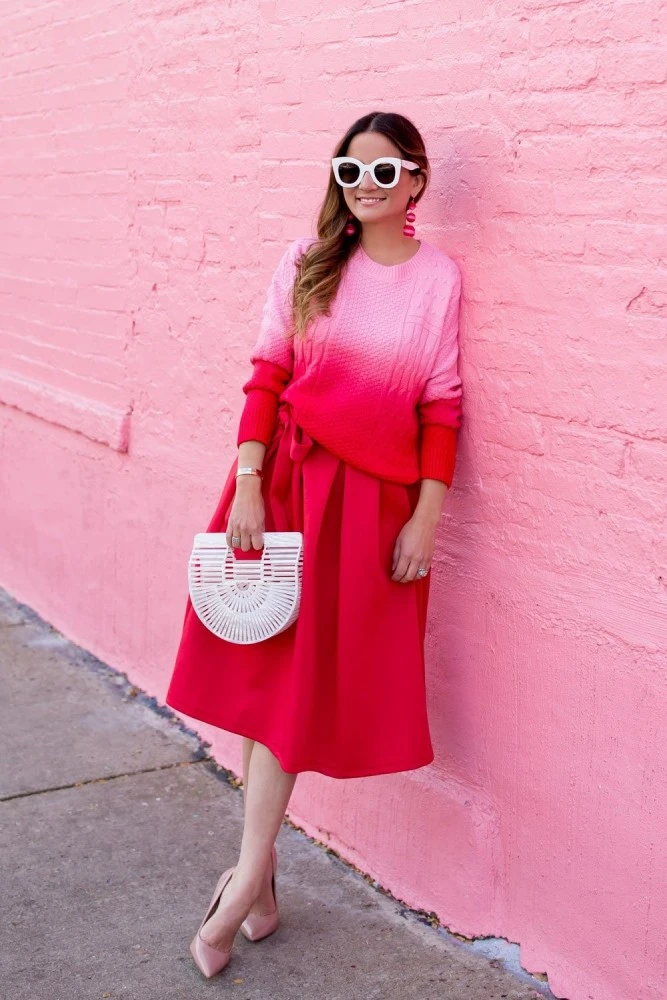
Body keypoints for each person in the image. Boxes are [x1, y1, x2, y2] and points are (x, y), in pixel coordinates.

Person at [164, 110, 464, 978]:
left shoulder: (438, 278)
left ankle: (248, 880)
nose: (365, 186)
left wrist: (426, 516)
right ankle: (250, 879)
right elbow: (267, 374)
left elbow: (441, 404)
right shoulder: (307, 261)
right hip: (285, 487)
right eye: (349, 171)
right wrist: (248, 483)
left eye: (384, 171)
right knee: (270, 682)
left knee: (296, 694)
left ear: (415, 180)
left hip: (370, 508)